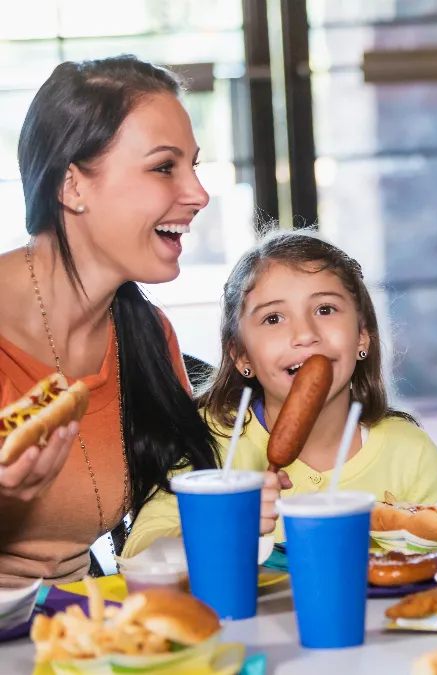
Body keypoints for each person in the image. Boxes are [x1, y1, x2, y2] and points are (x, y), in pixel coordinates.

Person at [0, 55, 280, 586]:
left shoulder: (147, 336)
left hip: (85, 635)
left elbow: (156, 530)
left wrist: (228, 510)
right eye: (163, 167)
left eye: (193, 166)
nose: (198, 193)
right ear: (72, 186)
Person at [126, 230, 437, 550]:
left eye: (325, 309)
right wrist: (222, 527)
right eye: (273, 318)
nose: (305, 334)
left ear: (361, 337)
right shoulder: (206, 443)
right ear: (241, 355)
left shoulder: (410, 452)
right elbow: (139, 550)